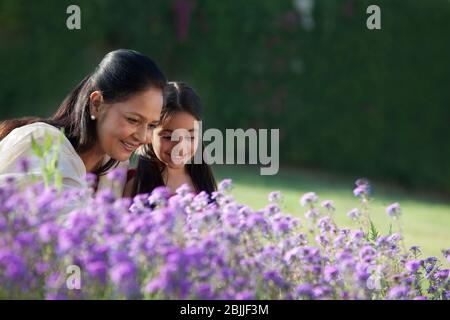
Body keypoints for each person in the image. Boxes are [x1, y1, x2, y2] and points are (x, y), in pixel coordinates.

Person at [0, 49, 166, 196]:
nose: (143, 137)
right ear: (97, 104)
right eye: (133, 120)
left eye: (152, 125)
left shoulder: (116, 170)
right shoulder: (42, 143)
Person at [124, 82, 216, 197]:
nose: (180, 148)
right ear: (150, 131)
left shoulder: (203, 183)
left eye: (191, 137)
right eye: (168, 137)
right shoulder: (135, 185)